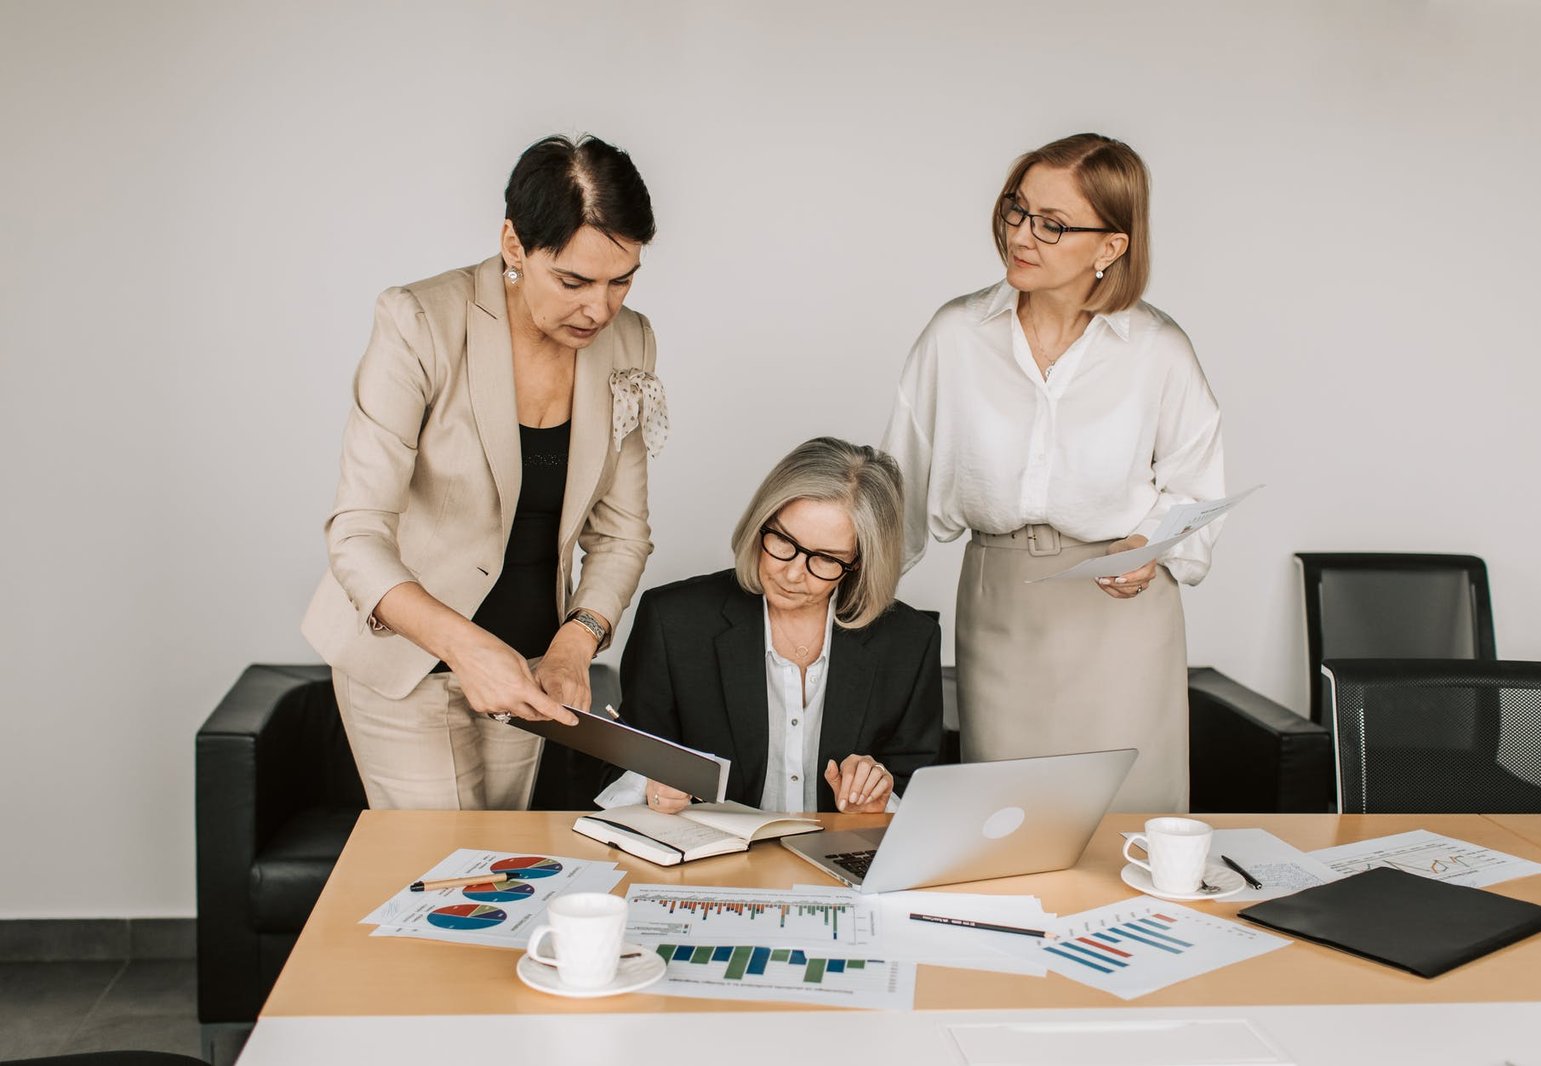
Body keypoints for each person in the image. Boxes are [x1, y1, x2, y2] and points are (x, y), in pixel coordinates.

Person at [301, 134, 668, 810]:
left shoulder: (630, 341)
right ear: (513, 244)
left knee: (503, 877)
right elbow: (356, 535)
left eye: (622, 280)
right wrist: (466, 648)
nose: (599, 309)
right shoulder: (419, 321)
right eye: (573, 280)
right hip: (406, 663)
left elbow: (622, 535)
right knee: (444, 889)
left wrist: (574, 642)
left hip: (535, 666)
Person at [882, 134, 1224, 811]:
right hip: (1001, 605)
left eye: (1052, 224)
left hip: (1121, 617)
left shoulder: (1158, 350)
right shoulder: (955, 335)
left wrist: (1149, 545)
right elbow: (899, 488)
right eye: (1017, 210)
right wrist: (840, 598)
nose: (1022, 235)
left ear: (1111, 246)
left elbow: (1197, 489)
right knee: (1004, 825)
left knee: (1126, 822)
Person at [597, 438, 943, 815]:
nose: (793, 573)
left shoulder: (910, 642)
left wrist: (880, 802)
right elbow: (619, 763)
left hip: (839, 863)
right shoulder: (674, 620)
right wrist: (652, 785)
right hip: (710, 863)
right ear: (761, 521)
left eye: (826, 559)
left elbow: (922, 788)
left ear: (859, 562)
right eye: (783, 541)